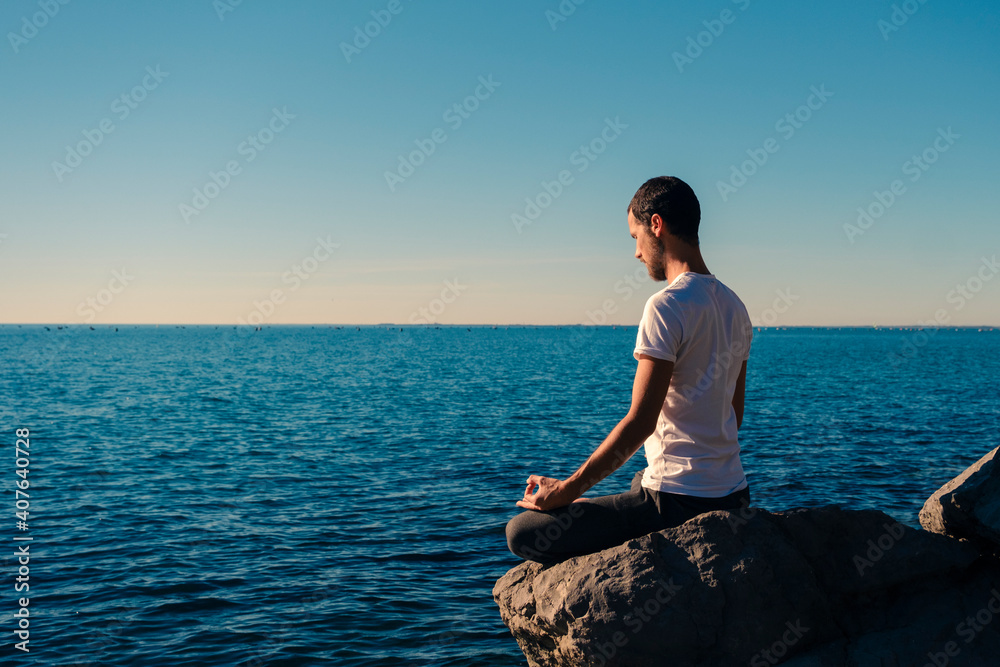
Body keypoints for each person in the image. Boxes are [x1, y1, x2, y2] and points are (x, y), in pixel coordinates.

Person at [505, 176, 754, 564]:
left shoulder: (666, 305)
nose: (637, 253)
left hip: (674, 504)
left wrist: (566, 490)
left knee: (521, 533)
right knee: (637, 479)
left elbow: (640, 422)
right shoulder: (736, 307)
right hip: (734, 495)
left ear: (657, 225)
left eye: (635, 236)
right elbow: (732, 417)